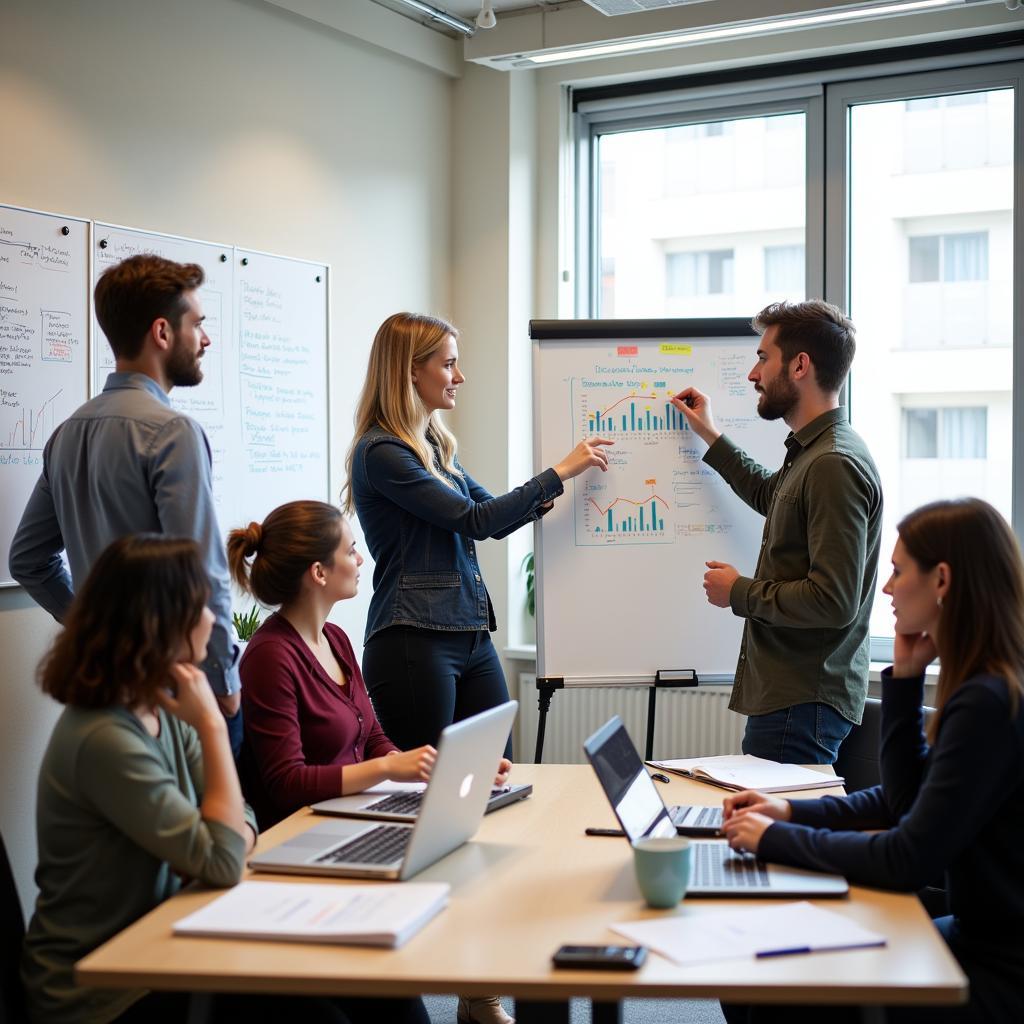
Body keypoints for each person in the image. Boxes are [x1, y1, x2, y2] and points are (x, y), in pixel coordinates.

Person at [720, 498, 1024, 1024]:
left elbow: (908, 858)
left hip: (996, 969)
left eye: (899, 571)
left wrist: (773, 840)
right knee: (756, 976)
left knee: (769, 989)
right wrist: (791, 813)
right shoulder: (987, 685)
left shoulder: (988, 701)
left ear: (943, 581)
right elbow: (907, 801)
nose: (884, 588)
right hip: (978, 939)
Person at [229, 499, 507, 1024]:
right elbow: (286, 783)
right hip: (299, 850)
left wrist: (437, 768)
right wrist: (387, 770)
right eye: (350, 550)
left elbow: (373, 736)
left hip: (347, 827)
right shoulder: (269, 656)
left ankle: (475, 988)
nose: (360, 560)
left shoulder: (334, 637)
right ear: (318, 572)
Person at [343, 311, 611, 760]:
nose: (459, 376)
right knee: (427, 790)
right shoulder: (382, 452)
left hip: (470, 634)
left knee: (496, 771)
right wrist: (560, 471)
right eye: (449, 364)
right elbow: (476, 519)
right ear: (411, 369)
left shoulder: (432, 447)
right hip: (413, 638)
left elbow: (495, 519)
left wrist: (557, 488)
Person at [8, 254, 242, 752]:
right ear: (162, 332)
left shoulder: (66, 434)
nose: (206, 339)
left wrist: (97, 632)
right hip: (178, 692)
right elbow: (201, 570)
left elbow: (28, 560)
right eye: (197, 325)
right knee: (216, 829)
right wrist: (224, 684)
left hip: (111, 689)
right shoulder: (174, 432)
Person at [20, 534, 257, 1024]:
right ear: (163, 624)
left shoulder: (161, 708)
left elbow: (239, 819)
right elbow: (224, 857)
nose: (213, 619)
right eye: (201, 607)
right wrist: (213, 724)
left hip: (162, 945)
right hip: (101, 990)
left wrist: (227, 835)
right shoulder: (106, 738)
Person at [671, 300, 882, 764]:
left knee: (777, 834)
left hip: (800, 702)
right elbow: (772, 496)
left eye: (764, 357)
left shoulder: (831, 464)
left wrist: (739, 592)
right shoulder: (813, 454)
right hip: (793, 699)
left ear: (800, 365)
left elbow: (833, 599)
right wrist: (710, 434)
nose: (753, 373)